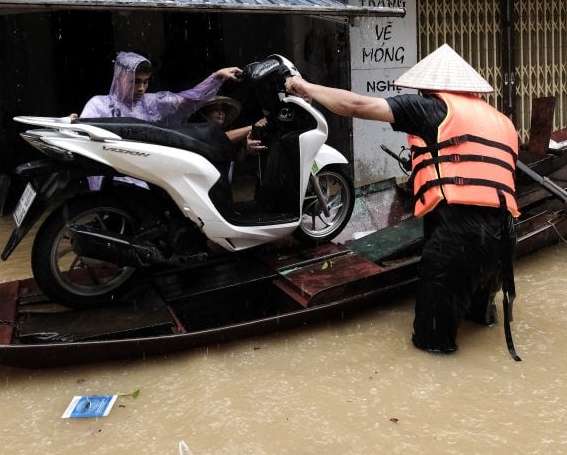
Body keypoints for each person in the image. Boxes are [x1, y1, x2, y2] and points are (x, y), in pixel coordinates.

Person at [284, 44, 522, 359]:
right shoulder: (501, 121)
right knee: (480, 323)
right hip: (505, 236)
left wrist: (304, 87)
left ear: (428, 87)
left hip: (460, 235)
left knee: (433, 346)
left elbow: (355, 104)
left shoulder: (433, 108)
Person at [78, 51, 242, 125]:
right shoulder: (98, 105)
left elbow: (188, 100)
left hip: (147, 177)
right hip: (111, 179)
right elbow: (82, 135)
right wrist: (74, 124)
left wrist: (216, 77)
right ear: (121, 79)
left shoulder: (152, 103)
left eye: (146, 81)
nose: (142, 88)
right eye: (135, 82)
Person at [195, 95, 267, 163]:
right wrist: (254, 126)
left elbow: (237, 162)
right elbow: (221, 138)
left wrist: (245, 147)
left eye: (222, 110)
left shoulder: (229, 136)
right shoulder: (199, 132)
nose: (220, 113)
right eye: (215, 109)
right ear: (204, 114)